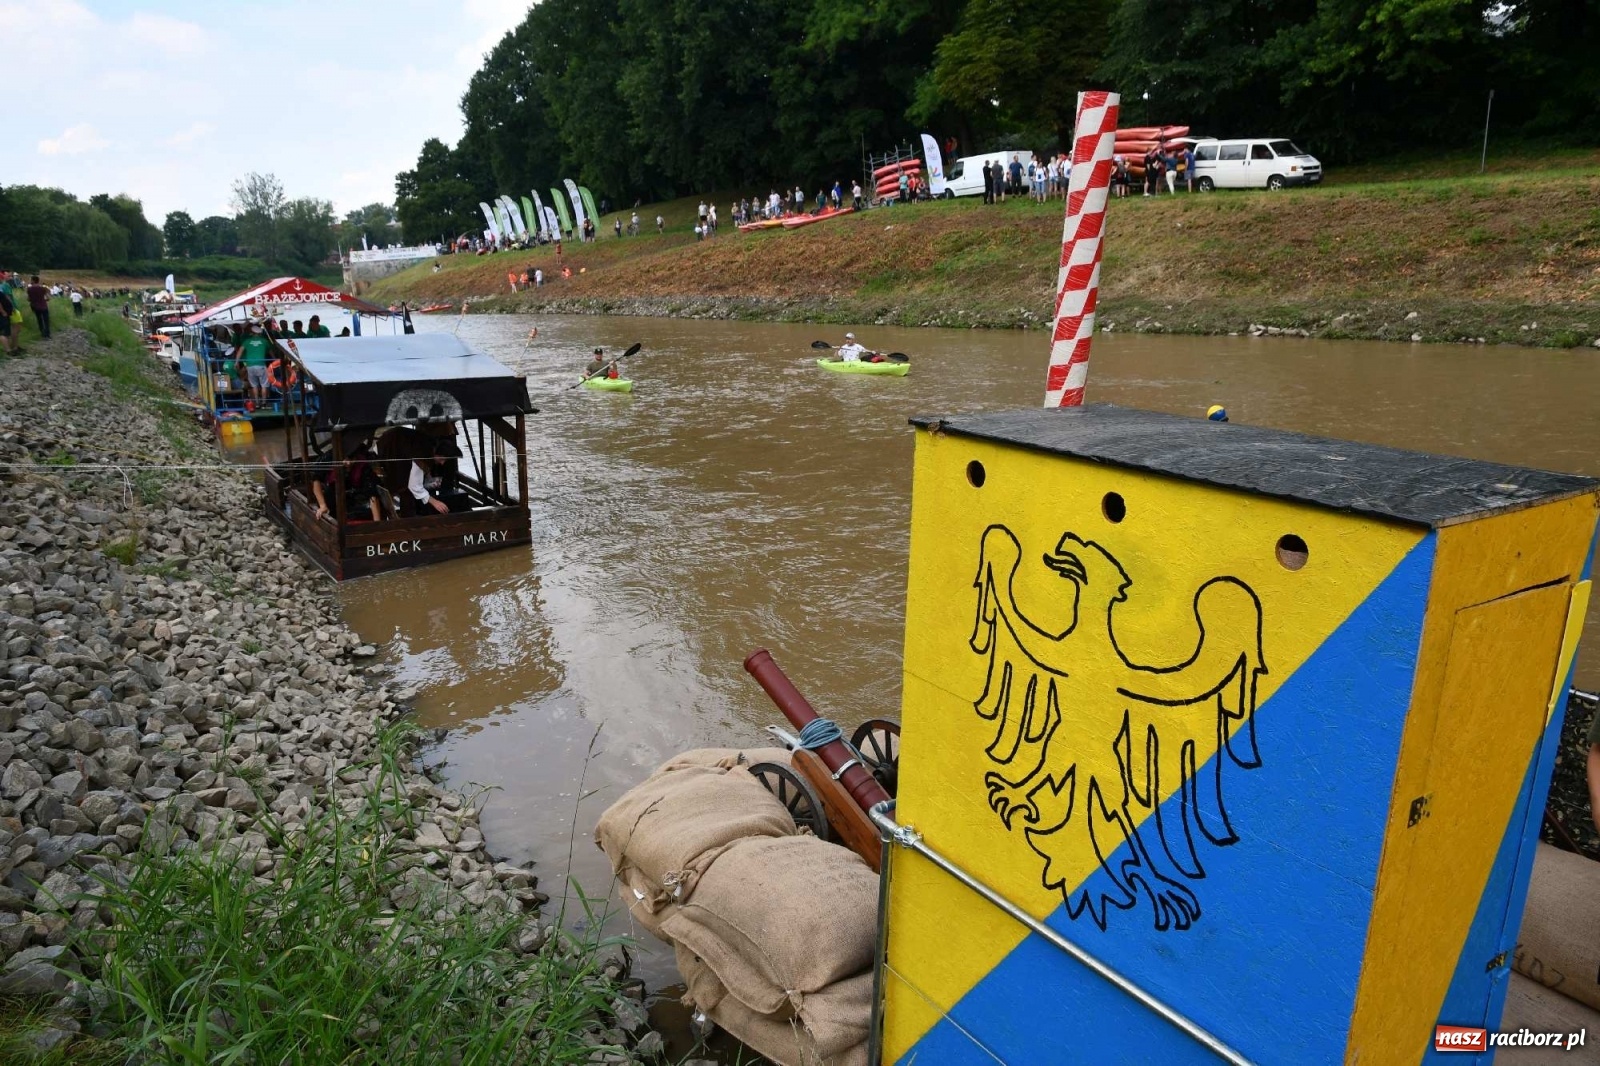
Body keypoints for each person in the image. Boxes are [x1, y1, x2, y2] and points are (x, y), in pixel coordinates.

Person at [312, 439, 382, 522]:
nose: (348, 463)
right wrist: (322, 506)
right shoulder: (329, 457)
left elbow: (372, 493)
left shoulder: (363, 466)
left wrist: (377, 522)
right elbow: (316, 479)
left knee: (364, 511)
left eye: (351, 459)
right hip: (333, 496)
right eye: (345, 459)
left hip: (353, 498)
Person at [238, 323, 272, 403]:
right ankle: (264, 403)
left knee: (254, 386)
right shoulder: (264, 341)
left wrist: (236, 362)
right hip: (261, 365)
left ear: (252, 332)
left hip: (250, 365)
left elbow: (240, 351)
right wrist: (275, 360)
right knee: (264, 385)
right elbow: (271, 352)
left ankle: (256, 403)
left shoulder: (247, 341)